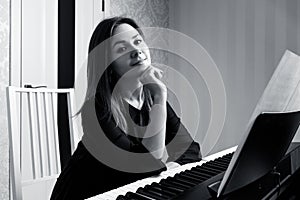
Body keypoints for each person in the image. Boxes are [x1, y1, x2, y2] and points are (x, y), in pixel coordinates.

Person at [51, 17, 201, 200]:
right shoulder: (97, 108)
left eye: (138, 41)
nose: (136, 51)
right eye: (122, 49)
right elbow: (143, 167)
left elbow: (190, 150)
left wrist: (169, 168)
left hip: (126, 193)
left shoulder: (150, 98)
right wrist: (161, 99)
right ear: (108, 64)